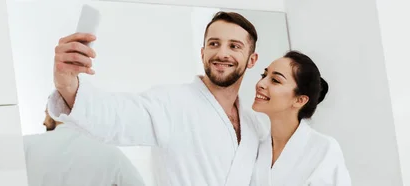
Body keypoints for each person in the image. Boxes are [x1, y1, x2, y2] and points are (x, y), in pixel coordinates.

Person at [47, 11, 265, 185]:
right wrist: (67, 83)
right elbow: (115, 116)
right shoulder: (171, 103)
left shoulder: (253, 125)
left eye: (234, 46)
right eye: (214, 44)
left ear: (252, 59)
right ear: (203, 53)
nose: (222, 53)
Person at [249, 51, 352, 185]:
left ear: (300, 100)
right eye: (264, 75)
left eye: (275, 80)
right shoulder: (256, 147)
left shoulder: (323, 149)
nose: (260, 84)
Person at [23, 106, 146, 186]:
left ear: (55, 113)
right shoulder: (110, 152)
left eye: (46, 114)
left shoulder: (25, 145)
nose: (44, 122)